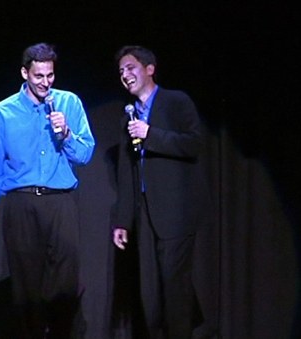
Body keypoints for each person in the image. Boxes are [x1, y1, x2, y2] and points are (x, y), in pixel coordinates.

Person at [0, 42, 95, 339]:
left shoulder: (69, 103)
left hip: (60, 203)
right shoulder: (3, 113)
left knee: (65, 286)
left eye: (50, 76)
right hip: (21, 204)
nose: (45, 83)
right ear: (25, 72)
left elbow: (86, 153)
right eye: (39, 76)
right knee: (26, 290)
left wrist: (65, 134)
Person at [112, 45, 211, 339]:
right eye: (121, 72)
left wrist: (151, 134)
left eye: (130, 68)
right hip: (145, 213)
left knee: (175, 288)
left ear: (150, 68)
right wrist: (122, 220)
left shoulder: (176, 102)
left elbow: (194, 144)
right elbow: (126, 171)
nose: (125, 75)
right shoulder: (127, 116)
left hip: (176, 212)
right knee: (150, 293)